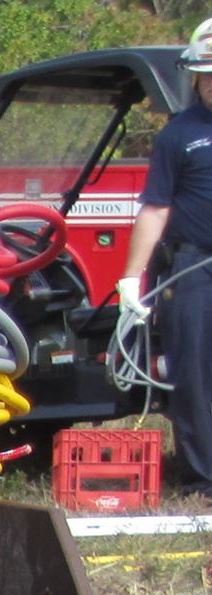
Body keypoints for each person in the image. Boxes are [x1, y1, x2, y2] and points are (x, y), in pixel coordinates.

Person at [124, 19, 212, 492]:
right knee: (193, 375)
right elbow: (155, 209)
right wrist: (130, 280)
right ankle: (204, 478)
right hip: (193, 269)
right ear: (195, 78)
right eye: (208, 74)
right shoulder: (177, 136)